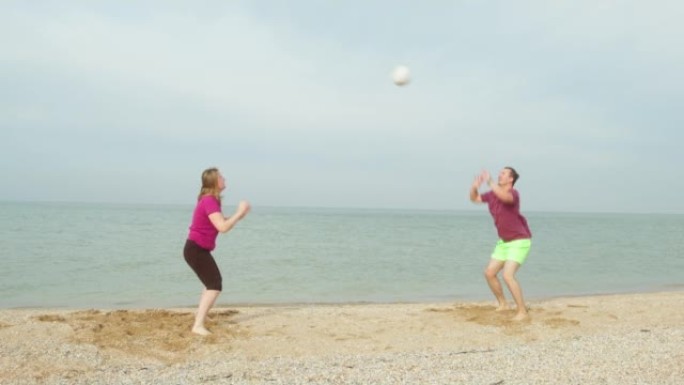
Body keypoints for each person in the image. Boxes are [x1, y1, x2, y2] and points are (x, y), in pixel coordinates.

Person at [184, 167, 250, 335]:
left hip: (197, 249)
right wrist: (239, 212)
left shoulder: (211, 200)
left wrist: (239, 215)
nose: (224, 179)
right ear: (214, 181)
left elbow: (220, 222)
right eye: (221, 177)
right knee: (214, 285)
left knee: (211, 284)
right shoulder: (209, 201)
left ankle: (200, 318)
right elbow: (223, 227)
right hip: (196, 249)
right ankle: (198, 325)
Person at [470, 167, 532, 321]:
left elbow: (505, 198)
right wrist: (474, 187)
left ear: (511, 179)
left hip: (520, 240)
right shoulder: (492, 195)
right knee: (489, 273)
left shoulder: (513, 194)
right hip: (504, 242)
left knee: (508, 275)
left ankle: (522, 312)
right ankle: (503, 304)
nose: (500, 174)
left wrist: (490, 182)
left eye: (503, 173)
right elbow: (474, 199)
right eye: (500, 173)